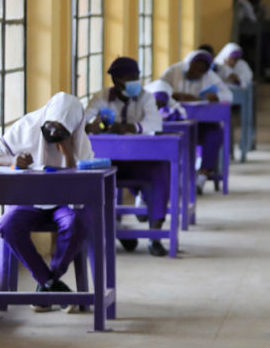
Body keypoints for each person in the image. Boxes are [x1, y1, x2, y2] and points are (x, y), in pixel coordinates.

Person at [0, 92, 94, 313]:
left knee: (76, 224)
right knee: (8, 225)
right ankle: (52, 284)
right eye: (50, 127)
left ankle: (46, 283)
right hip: (28, 199)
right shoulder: (26, 126)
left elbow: (82, 185)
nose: (53, 135)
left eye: (61, 131)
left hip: (65, 204)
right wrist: (12, 160)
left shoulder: (81, 141)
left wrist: (69, 155)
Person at [84, 57, 169, 257]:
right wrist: (94, 125)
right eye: (128, 77)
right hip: (109, 161)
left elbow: (155, 124)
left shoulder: (146, 98)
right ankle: (115, 227)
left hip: (140, 161)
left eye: (136, 77)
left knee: (161, 172)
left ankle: (155, 235)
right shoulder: (100, 98)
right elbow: (86, 121)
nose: (134, 82)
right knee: (91, 180)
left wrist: (132, 127)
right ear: (115, 80)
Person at [160, 50, 233, 191]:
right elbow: (158, 89)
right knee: (166, 137)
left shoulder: (210, 77)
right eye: (195, 68)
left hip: (202, 124)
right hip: (177, 122)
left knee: (215, 134)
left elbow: (228, 95)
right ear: (188, 65)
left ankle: (203, 175)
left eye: (202, 70)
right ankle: (177, 175)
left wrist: (216, 97)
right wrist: (174, 95)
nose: (198, 72)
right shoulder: (173, 71)